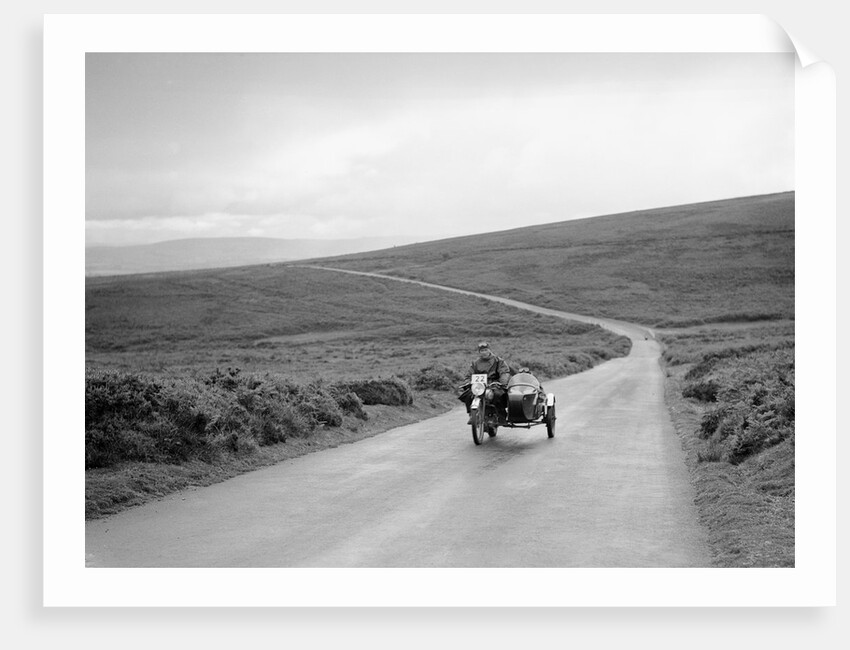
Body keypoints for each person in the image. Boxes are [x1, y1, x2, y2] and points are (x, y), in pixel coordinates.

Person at [461, 341, 511, 424]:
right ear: (479, 352)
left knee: (498, 395)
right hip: (479, 385)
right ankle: (471, 414)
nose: (484, 352)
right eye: (481, 351)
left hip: (494, 384)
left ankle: (501, 416)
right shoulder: (475, 363)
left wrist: (502, 382)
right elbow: (469, 374)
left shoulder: (498, 361)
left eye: (485, 350)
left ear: (489, 350)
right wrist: (468, 382)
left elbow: (504, 372)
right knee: (468, 394)